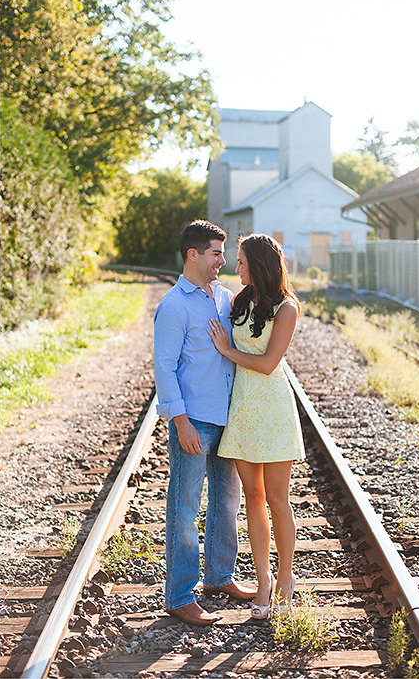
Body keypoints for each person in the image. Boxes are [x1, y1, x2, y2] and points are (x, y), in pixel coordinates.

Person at [153, 220, 256, 627]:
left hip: (227, 417)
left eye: (224, 253)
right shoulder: (174, 306)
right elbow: (164, 368)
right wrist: (180, 422)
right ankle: (179, 595)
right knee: (185, 507)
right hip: (194, 419)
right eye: (216, 253)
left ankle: (219, 577)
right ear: (192, 254)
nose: (223, 261)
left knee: (226, 504)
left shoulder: (225, 299)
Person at [206, 233, 303, 620]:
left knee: (278, 501)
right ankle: (262, 580)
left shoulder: (287, 308)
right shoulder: (239, 301)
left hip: (274, 410)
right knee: (254, 500)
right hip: (243, 409)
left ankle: (285, 578)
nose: (236, 267)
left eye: (242, 261)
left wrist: (227, 350)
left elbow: (267, 364)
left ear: (259, 264)